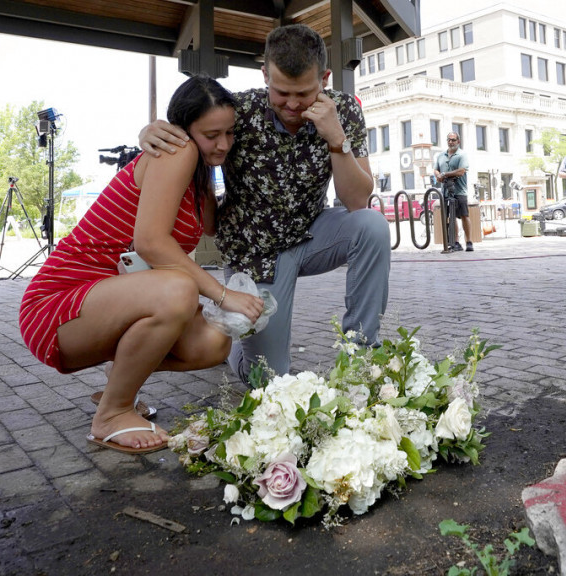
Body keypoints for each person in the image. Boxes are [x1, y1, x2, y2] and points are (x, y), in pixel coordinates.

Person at [18, 76, 265, 454]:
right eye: (212, 134)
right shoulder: (177, 151)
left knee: (214, 342)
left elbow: (215, 226)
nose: (224, 144)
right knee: (177, 290)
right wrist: (222, 294)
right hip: (57, 305)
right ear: (182, 130)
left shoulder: (200, 176)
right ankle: (112, 414)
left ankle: (118, 382)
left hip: (109, 301)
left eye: (230, 133)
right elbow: (151, 243)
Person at [139, 24, 390, 385]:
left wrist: (336, 139)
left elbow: (356, 200)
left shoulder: (344, 111)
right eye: (280, 91)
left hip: (312, 234)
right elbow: (192, 127)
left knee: (372, 226)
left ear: (324, 78)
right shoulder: (238, 112)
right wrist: (148, 131)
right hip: (254, 251)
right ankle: (235, 347)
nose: (291, 104)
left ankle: (363, 354)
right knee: (268, 379)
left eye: (303, 93)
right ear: (264, 75)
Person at [433, 132, 473, 252]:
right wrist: (438, 175)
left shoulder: (462, 155)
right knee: (451, 217)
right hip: (445, 191)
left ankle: (469, 242)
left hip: (459, 191)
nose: (451, 142)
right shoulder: (441, 156)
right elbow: (436, 169)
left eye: (453, 140)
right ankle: (455, 242)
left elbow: (461, 171)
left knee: (464, 215)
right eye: (449, 140)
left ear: (458, 141)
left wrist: (445, 174)